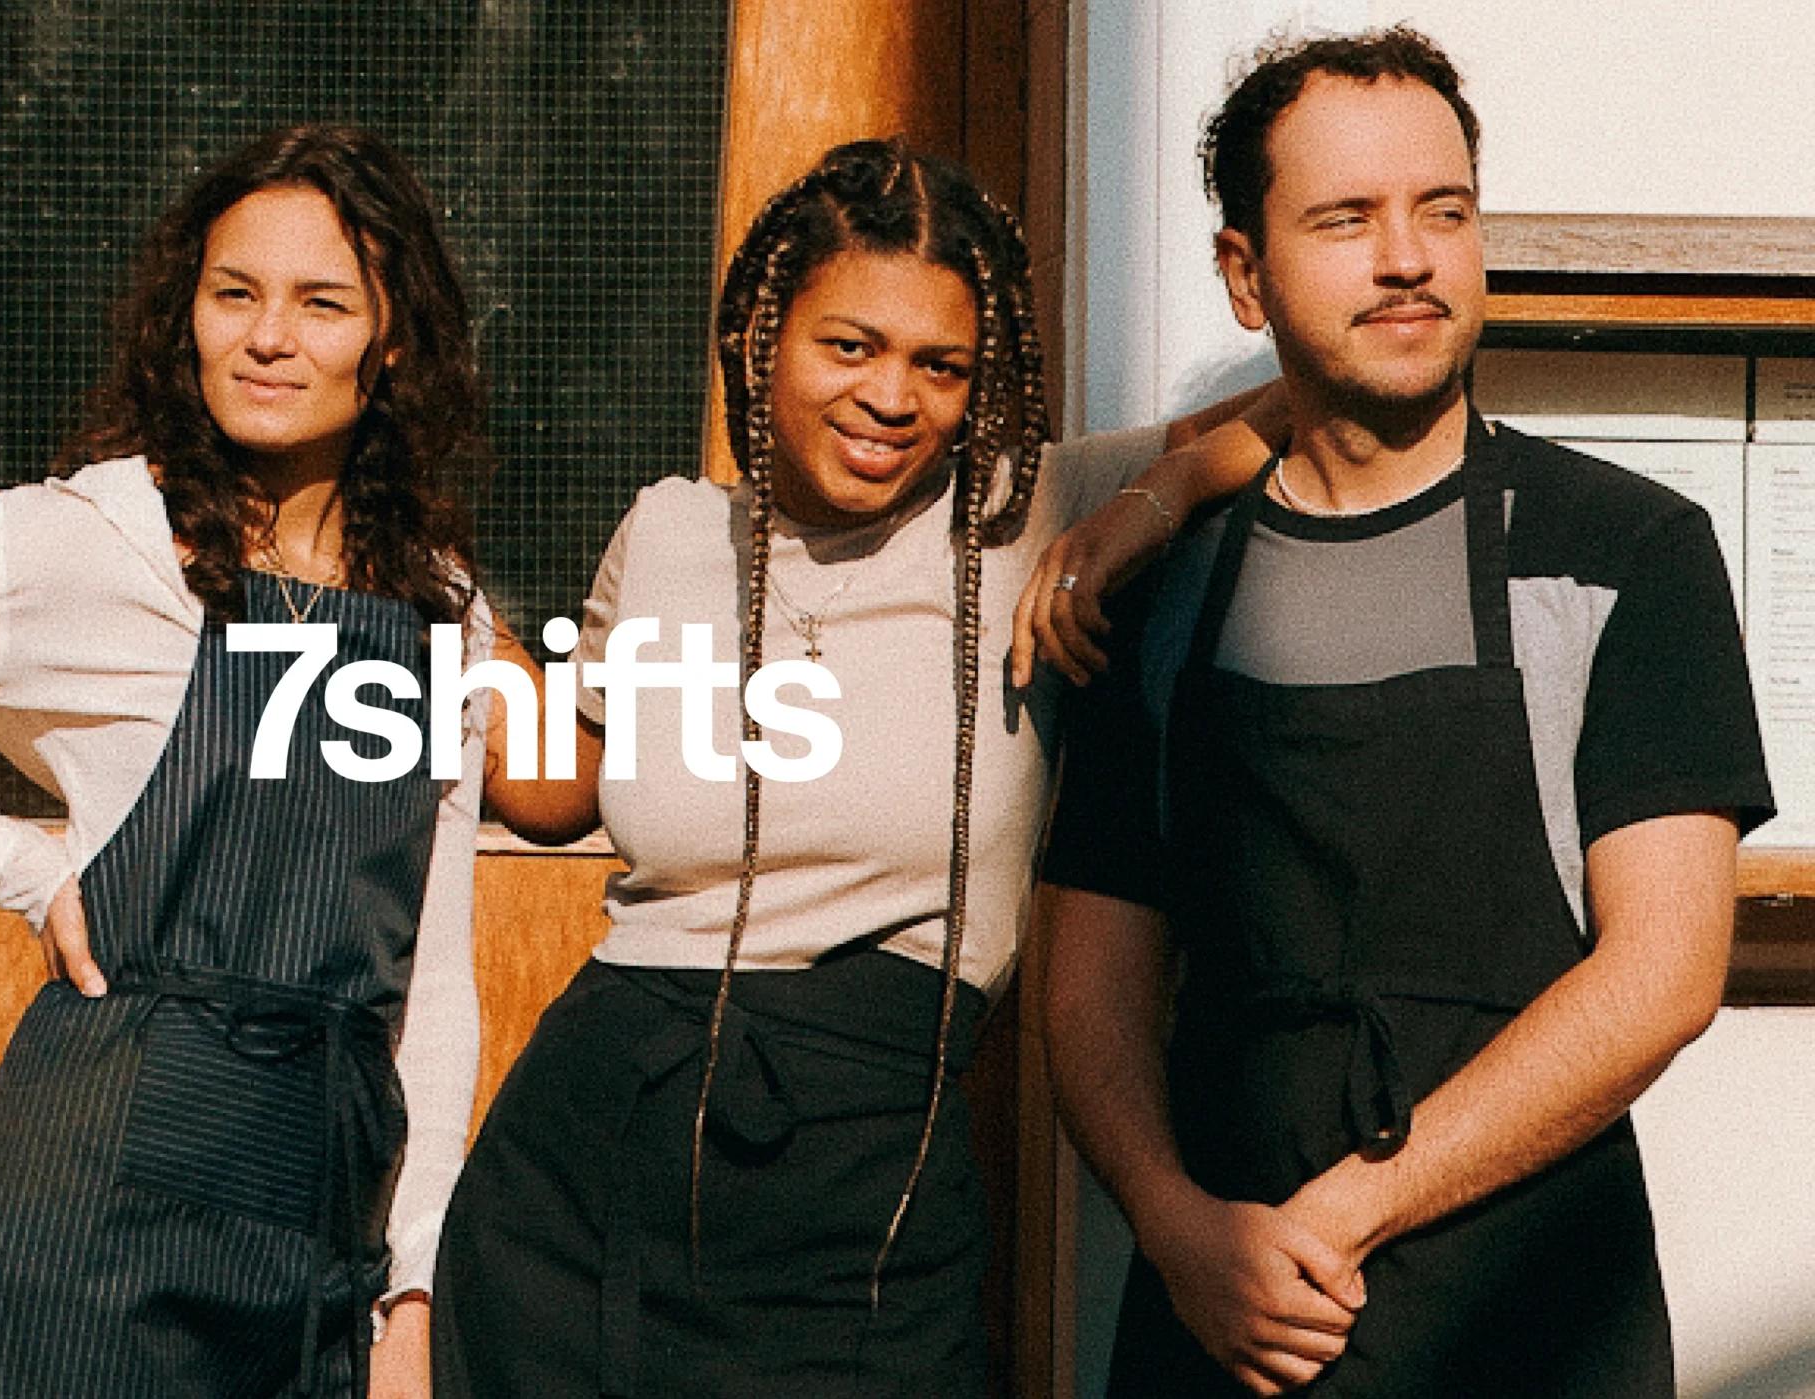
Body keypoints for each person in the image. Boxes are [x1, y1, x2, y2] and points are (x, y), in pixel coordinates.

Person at [430, 138, 1278, 1396]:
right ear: (764, 336)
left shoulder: (1030, 507)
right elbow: (564, 793)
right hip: (584, 1158)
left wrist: (1135, 515)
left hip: (867, 1173)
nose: (893, 398)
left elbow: (1321, 394)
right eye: (849, 345)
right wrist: (454, 610)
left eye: (940, 365)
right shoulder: (667, 530)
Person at [1038, 27, 1774, 1397]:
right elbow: (1091, 980)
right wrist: (1176, 1221)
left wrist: (1348, 1208)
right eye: (1346, 218)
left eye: (1444, 211)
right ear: (1244, 276)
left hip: (1533, 1313)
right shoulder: (1166, 596)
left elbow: (1664, 972)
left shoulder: (1623, 549)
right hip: (1225, 1323)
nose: (1407, 256)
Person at [0, 123, 489, 1398]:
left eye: (322, 305)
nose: (267, 337)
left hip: (316, 1225)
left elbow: (434, 989)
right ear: (183, 313)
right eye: (233, 293)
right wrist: (16, 860)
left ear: (393, 338)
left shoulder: (437, 612)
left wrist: (408, 1288)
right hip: (82, 1222)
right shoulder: (80, 544)